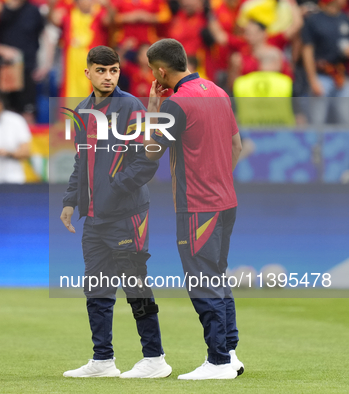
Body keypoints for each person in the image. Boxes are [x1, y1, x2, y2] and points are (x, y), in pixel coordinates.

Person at [60, 46, 171, 379]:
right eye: (101, 70)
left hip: (127, 214)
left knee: (135, 285)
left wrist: (115, 188)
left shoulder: (130, 107)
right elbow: (82, 161)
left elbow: (147, 160)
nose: (108, 76)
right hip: (94, 217)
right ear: (88, 73)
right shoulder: (82, 110)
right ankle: (102, 360)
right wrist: (70, 200)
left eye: (113, 71)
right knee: (96, 288)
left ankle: (155, 358)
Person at [144, 38, 243, 380]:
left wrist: (153, 106)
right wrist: (217, 180)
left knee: (203, 280)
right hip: (226, 202)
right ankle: (229, 353)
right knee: (217, 276)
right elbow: (236, 144)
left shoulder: (177, 105)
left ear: (160, 71)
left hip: (197, 208)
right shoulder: (218, 91)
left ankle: (217, 361)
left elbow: (151, 152)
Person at [0, 0, 45, 121]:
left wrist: (45, 65)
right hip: (5, 69)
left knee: (28, 112)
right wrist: (2, 50)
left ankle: (30, 140)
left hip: (27, 69)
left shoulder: (33, 11)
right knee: (6, 114)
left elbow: (44, 36)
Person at [301, 0, 349, 124]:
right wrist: (312, 80)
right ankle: (316, 143)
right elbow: (307, 51)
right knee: (317, 121)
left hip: (341, 76)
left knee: (346, 119)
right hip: (321, 75)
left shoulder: (344, 19)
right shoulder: (314, 20)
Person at [51, 0, 110, 98]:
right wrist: (52, 5)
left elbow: (108, 21)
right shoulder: (69, 13)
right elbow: (55, 19)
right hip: (72, 63)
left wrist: (109, 7)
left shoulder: (99, 13)